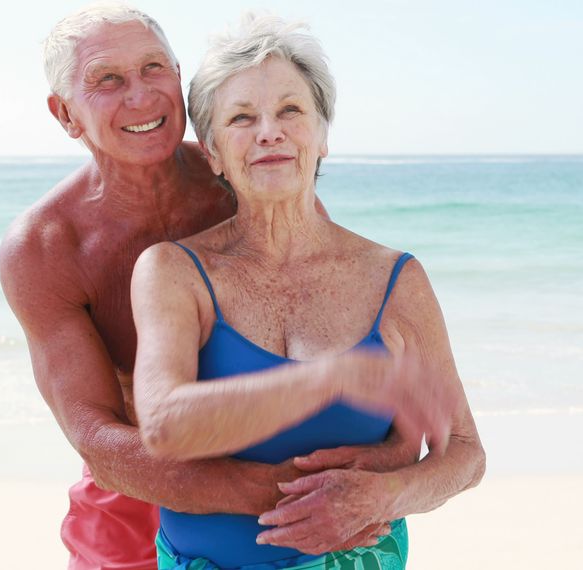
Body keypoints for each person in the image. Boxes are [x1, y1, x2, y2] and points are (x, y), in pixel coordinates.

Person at [0, 5, 424, 569]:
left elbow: (345, 327)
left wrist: (391, 458)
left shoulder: (248, 175)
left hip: (282, 486)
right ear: (65, 114)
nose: (140, 96)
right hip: (138, 490)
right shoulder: (48, 245)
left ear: (180, 77)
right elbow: (97, 440)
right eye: (107, 80)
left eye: (154, 69)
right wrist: (278, 493)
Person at [131, 13, 486, 570]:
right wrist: (335, 378)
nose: (269, 130)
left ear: (322, 137)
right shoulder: (173, 271)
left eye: (291, 111)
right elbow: (164, 425)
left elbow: (465, 455)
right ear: (215, 152)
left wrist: (383, 497)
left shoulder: (396, 278)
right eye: (242, 117)